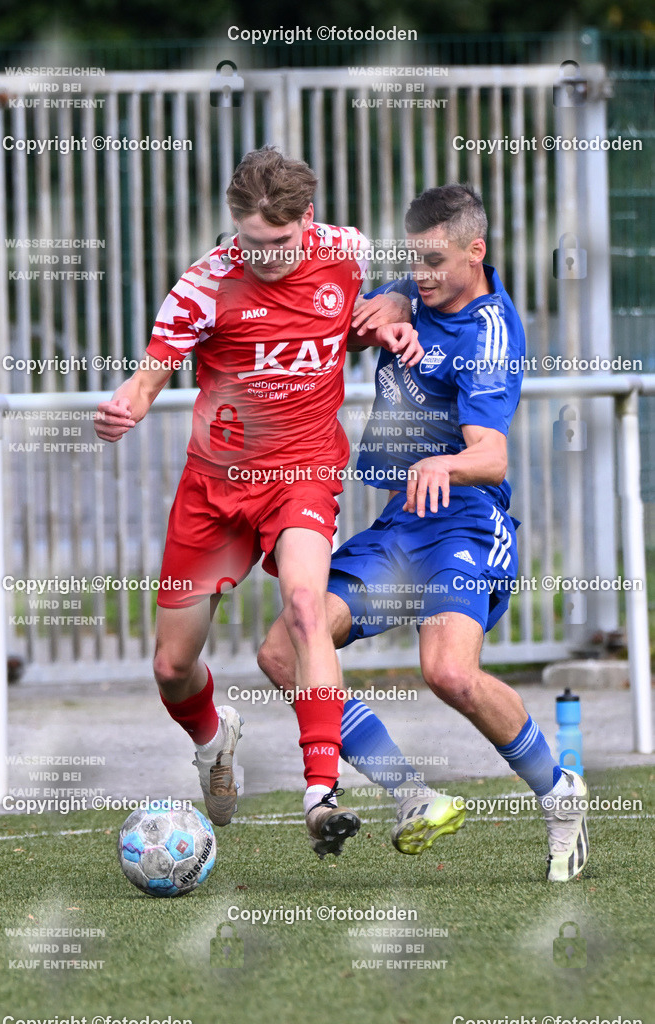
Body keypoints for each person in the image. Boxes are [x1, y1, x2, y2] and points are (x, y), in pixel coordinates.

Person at [94, 146, 421, 856]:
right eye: (248, 240)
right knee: (171, 668)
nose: (262, 256)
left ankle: (320, 792)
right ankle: (214, 742)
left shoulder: (346, 252)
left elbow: (401, 288)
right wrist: (125, 405)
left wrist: (390, 308)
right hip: (215, 489)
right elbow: (149, 378)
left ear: (308, 219)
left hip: (302, 473)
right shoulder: (204, 285)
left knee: (306, 605)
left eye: (276, 242)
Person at [258, 183, 589, 881]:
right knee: (284, 652)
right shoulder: (415, 290)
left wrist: (446, 459)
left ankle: (558, 793)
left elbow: (491, 454)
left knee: (446, 672)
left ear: (478, 249)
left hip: (466, 523)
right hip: (401, 524)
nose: (424, 274)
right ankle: (412, 796)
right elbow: (342, 319)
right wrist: (378, 312)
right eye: (414, 261)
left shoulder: (487, 332)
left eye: (436, 261)